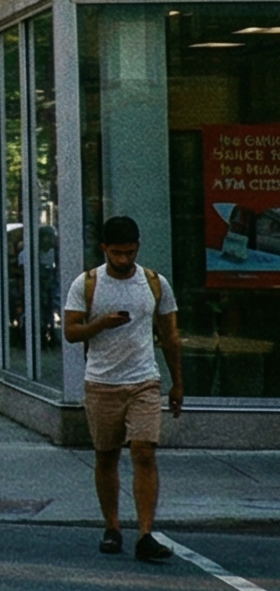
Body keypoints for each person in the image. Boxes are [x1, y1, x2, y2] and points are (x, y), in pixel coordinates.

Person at [62, 214, 185, 563]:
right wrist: (101, 323)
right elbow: (70, 332)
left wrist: (177, 383)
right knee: (106, 455)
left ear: (138, 248)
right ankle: (112, 526)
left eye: (129, 252)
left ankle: (145, 533)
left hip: (144, 380)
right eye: (116, 252)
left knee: (144, 452)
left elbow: (170, 336)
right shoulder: (87, 283)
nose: (123, 259)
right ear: (104, 249)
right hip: (102, 382)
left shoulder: (154, 283)